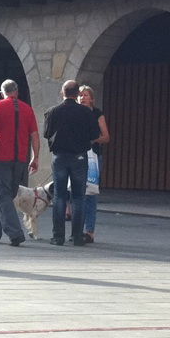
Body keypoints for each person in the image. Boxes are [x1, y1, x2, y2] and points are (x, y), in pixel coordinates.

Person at [43, 78, 100, 246]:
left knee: (60, 196)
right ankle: (76, 237)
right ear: (77, 94)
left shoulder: (52, 112)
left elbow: (47, 133)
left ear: (63, 93)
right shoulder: (86, 113)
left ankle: (58, 236)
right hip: (80, 157)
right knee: (79, 197)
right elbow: (94, 134)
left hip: (60, 156)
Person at [0, 79, 36, 247]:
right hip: (19, 158)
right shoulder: (28, 109)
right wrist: (36, 157)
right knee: (7, 194)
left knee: (1, 194)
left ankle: (15, 233)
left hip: (1, 156)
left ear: (2, 92)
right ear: (17, 92)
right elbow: (34, 135)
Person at [77, 84, 110, 243]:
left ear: (92, 98)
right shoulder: (75, 112)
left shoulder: (97, 114)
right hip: (77, 155)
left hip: (93, 157)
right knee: (77, 194)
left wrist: (92, 139)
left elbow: (106, 137)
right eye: (80, 95)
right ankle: (77, 229)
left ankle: (89, 231)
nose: (82, 97)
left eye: (85, 95)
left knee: (90, 194)